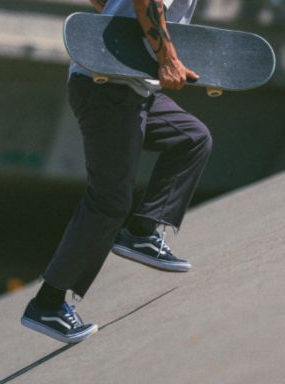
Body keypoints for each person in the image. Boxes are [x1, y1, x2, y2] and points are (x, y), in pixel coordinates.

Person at [21, 0, 212, 344]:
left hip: (133, 87)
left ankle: (141, 232)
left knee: (192, 138)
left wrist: (112, 23)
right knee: (109, 199)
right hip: (107, 88)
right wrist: (167, 58)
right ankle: (47, 304)